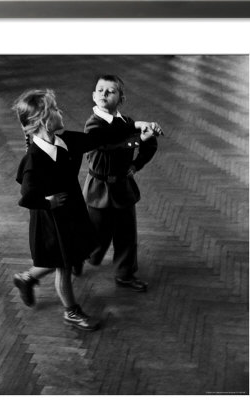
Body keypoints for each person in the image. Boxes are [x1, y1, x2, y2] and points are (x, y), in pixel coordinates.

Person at [12, 89, 156, 330]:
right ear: (45, 121)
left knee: (67, 256)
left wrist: (138, 135)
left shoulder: (67, 140)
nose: (60, 112)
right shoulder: (34, 159)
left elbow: (106, 142)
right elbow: (27, 197)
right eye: (55, 110)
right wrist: (48, 202)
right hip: (51, 219)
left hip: (71, 210)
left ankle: (26, 278)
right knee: (64, 266)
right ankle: (71, 311)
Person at [83, 75, 163, 292]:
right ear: (93, 95)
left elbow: (150, 143)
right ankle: (79, 259)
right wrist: (139, 136)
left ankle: (125, 274)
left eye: (111, 91)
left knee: (127, 234)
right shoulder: (92, 125)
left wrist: (136, 165)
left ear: (121, 98)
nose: (104, 94)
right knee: (96, 235)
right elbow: (110, 144)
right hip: (98, 189)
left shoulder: (126, 123)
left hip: (123, 187)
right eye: (100, 89)